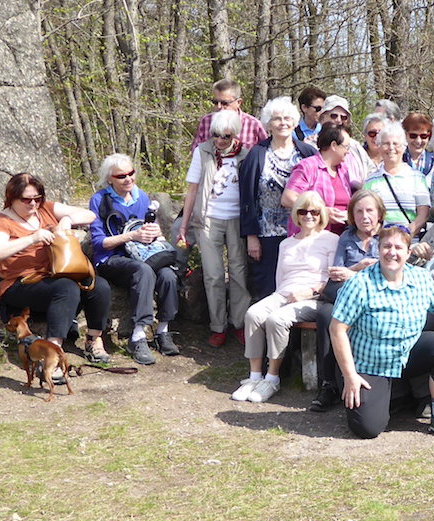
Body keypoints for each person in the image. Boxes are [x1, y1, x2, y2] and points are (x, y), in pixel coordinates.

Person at [329, 225, 434, 440]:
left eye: (399, 247)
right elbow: (337, 329)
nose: (392, 252)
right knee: (367, 428)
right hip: (369, 365)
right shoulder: (360, 284)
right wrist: (350, 376)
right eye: (387, 246)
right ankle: (391, 396)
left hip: (406, 354)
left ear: (408, 252)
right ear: (378, 249)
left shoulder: (420, 278)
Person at [0, 173, 112, 380]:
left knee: (98, 286)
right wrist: (32, 238)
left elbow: (90, 215)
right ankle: (50, 356)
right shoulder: (2, 220)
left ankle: (93, 339)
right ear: (12, 197)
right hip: (19, 284)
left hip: (52, 276)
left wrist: (66, 220)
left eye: (38, 197)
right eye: (27, 199)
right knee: (66, 288)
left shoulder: (45, 209)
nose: (33, 203)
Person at [233, 191, 338, 403]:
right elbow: (280, 277)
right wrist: (280, 297)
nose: (309, 216)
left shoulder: (330, 240)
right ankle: (254, 376)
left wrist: (309, 292)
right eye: (303, 211)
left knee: (277, 319)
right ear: (296, 215)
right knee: (253, 314)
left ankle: (272, 377)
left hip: (314, 297)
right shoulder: (286, 243)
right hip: (284, 293)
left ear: (321, 215)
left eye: (315, 212)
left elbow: (333, 277)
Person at [88, 155, 180, 365]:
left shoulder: (143, 197)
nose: (128, 179)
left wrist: (157, 233)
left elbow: (151, 230)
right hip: (112, 259)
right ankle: (138, 335)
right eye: (121, 176)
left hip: (144, 255)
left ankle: (163, 330)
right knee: (143, 271)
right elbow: (99, 243)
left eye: (131, 173)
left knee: (167, 275)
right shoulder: (100, 200)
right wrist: (131, 236)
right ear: (110, 179)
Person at [310, 190, 386, 412]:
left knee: (337, 311)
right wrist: (357, 269)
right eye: (359, 211)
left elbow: (391, 272)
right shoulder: (347, 237)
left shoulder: (389, 235)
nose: (365, 216)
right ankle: (329, 385)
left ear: (379, 213)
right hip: (346, 294)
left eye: (369, 210)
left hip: (378, 295)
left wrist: (353, 274)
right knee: (326, 314)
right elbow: (336, 273)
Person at [178, 110, 250, 347]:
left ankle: (238, 323)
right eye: (216, 135)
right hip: (208, 219)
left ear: (235, 135)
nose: (220, 140)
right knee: (213, 274)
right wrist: (185, 224)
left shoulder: (246, 155)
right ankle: (218, 326)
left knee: (239, 272)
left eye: (226, 136)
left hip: (237, 220)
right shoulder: (203, 151)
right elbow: (192, 190)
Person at [239, 96, 317, 299]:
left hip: (301, 232)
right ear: (268, 124)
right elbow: (246, 197)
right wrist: (251, 236)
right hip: (266, 235)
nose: (283, 123)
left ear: (294, 122)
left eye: (287, 118)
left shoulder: (307, 153)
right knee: (266, 287)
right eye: (276, 119)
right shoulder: (257, 154)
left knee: (297, 285)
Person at [362, 123, 432, 238]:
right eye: (385, 144)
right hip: (379, 243)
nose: (391, 148)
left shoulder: (417, 178)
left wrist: (406, 235)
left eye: (395, 144)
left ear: (404, 147)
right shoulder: (370, 180)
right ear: (379, 147)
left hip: (410, 242)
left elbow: (423, 214)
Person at [284, 122, 353, 235]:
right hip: (312, 239)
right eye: (346, 147)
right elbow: (287, 198)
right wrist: (321, 211)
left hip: (342, 238)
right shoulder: (308, 166)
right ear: (334, 145)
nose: (348, 151)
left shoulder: (343, 170)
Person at [190, 79, 266, 152]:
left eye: (224, 103)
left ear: (238, 102)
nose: (219, 106)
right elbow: (196, 151)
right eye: (215, 102)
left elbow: (265, 155)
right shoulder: (206, 121)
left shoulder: (253, 125)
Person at [348, 113, 389, 184]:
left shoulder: (393, 157)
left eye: (381, 133)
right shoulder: (355, 157)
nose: (377, 137)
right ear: (365, 135)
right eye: (372, 133)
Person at [402, 112, 434, 177]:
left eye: (423, 136)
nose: (418, 141)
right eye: (413, 135)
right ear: (405, 135)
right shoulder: (397, 161)